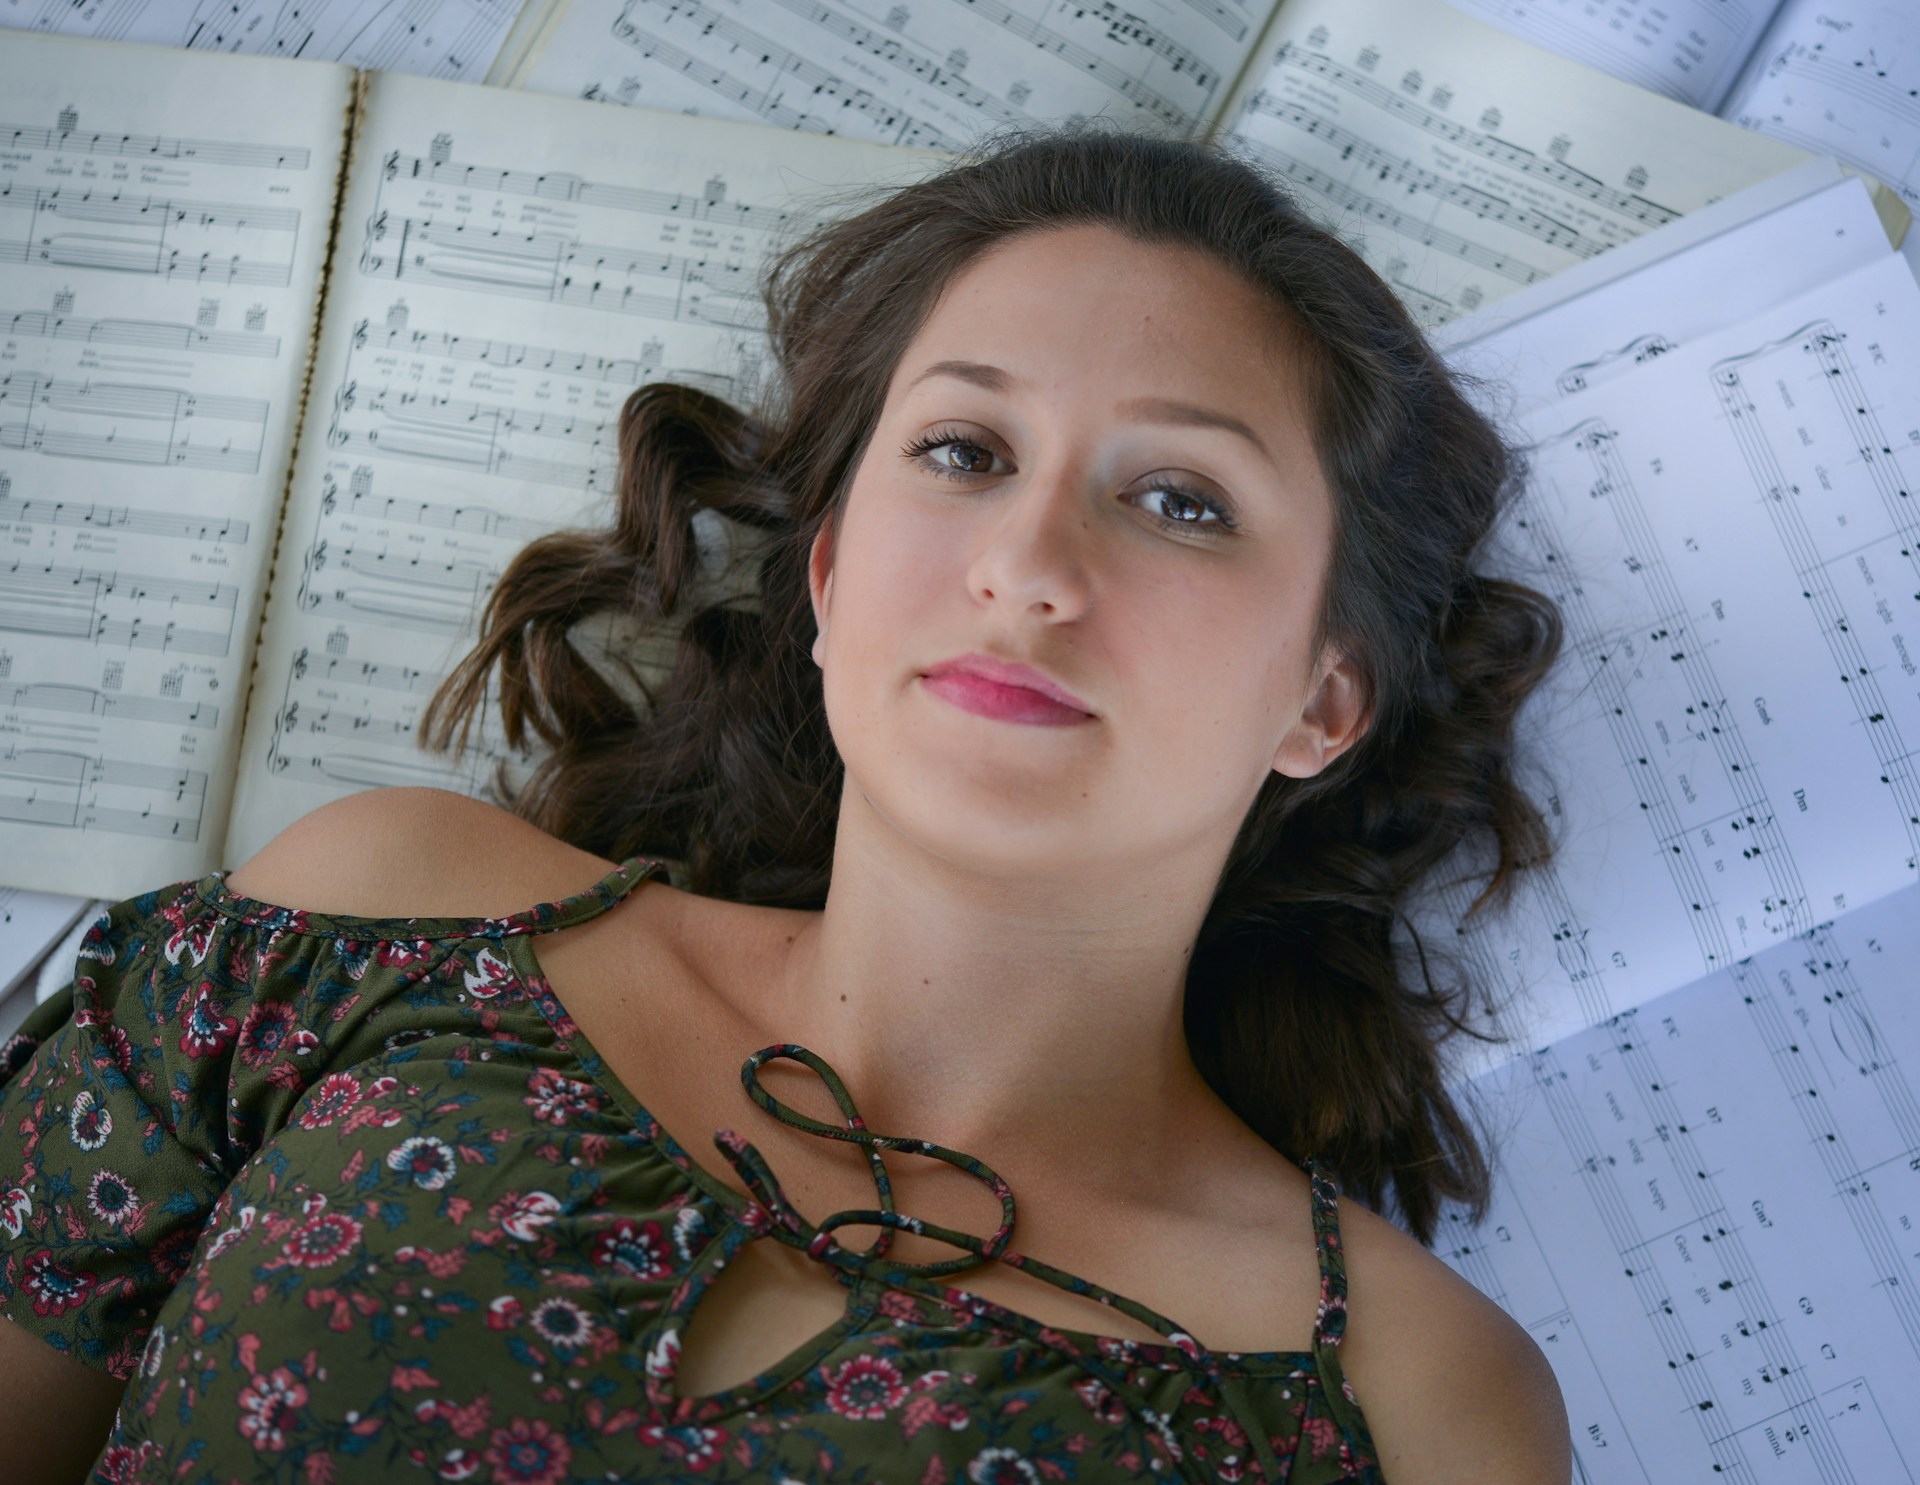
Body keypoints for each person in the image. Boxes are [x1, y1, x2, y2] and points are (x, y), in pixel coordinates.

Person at [0, 125, 1571, 1482]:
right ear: (826, 575)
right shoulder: (377, 922)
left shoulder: (1402, 1404)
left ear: (1325, 698)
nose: (1026, 563)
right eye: (963, 449)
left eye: (1181, 499)